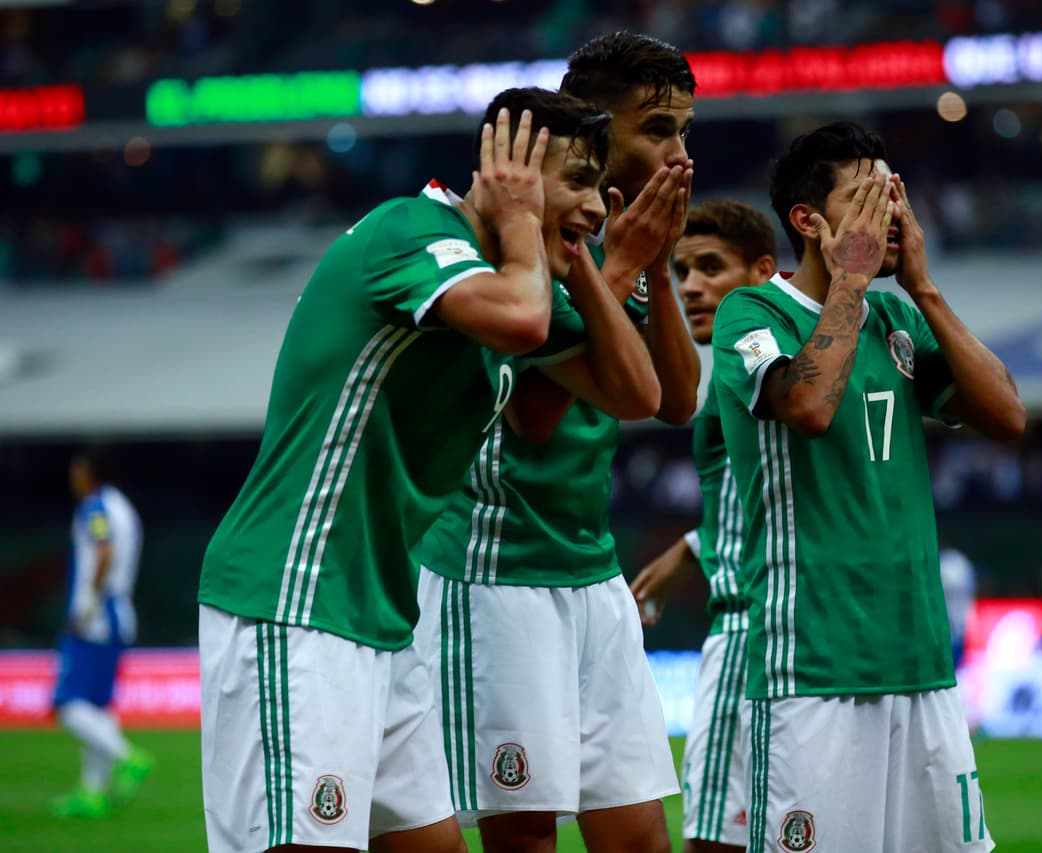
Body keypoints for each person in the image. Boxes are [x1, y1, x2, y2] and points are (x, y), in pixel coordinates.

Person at [198, 88, 661, 853]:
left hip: (382, 613)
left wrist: (581, 263)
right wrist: (522, 222)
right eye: (576, 180)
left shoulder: (518, 275)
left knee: (430, 843)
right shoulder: (412, 230)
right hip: (295, 599)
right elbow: (521, 319)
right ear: (507, 167)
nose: (595, 205)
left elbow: (635, 392)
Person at [414, 32, 699, 853]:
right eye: (658, 129)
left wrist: (656, 259)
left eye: (685, 129)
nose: (679, 151)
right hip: (499, 570)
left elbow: (675, 400)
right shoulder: (513, 233)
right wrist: (615, 264)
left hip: (589, 564)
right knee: (527, 833)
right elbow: (529, 414)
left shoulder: (624, 236)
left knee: (640, 833)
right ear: (595, 127)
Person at [711, 122, 1025, 852]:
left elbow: (1007, 414)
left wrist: (923, 286)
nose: (887, 215)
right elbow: (809, 406)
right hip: (814, 661)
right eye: (865, 200)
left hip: (920, 658)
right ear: (808, 220)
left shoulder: (897, 318)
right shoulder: (750, 313)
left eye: (892, 196)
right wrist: (850, 278)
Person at [629, 199, 778, 853]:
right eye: (682, 268)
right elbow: (770, 491)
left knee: (715, 838)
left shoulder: (759, 363)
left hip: (749, 629)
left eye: (711, 266)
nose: (691, 285)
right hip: (810, 628)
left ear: (762, 272)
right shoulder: (743, 366)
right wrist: (693, 545)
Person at [51, 447, 151, 818]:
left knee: (66, 704)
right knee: (97, 707)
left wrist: (87, 605)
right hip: (118, 613)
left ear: (89, 472)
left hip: (97, 617)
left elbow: (104, 550)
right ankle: (91, 793)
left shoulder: (95, 507)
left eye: (77, 469)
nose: (72, 477)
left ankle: (128, 757)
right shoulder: (123, 506)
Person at [939, 544, 977, 670]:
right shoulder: (945, 560)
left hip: (959, 631)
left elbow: (944, 581)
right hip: (948, 632)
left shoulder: (954, 561)